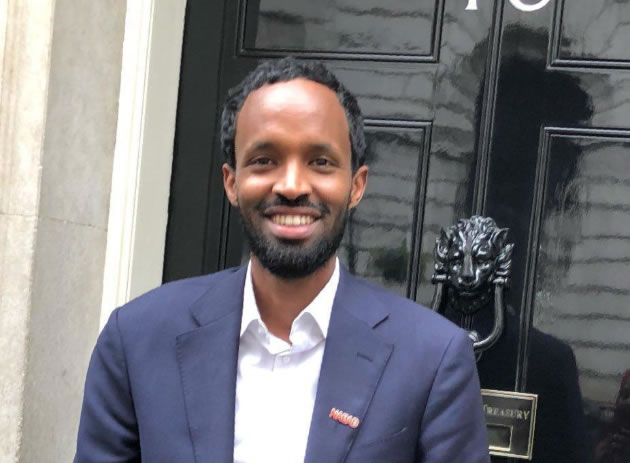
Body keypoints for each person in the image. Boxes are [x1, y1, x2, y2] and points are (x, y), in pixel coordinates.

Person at [74, 57, 490, 463]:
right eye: (264, 160)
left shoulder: (432, 358)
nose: (291, 185)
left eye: (320, 162)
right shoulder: (136, 340)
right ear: (232, 182)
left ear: (356, 186)